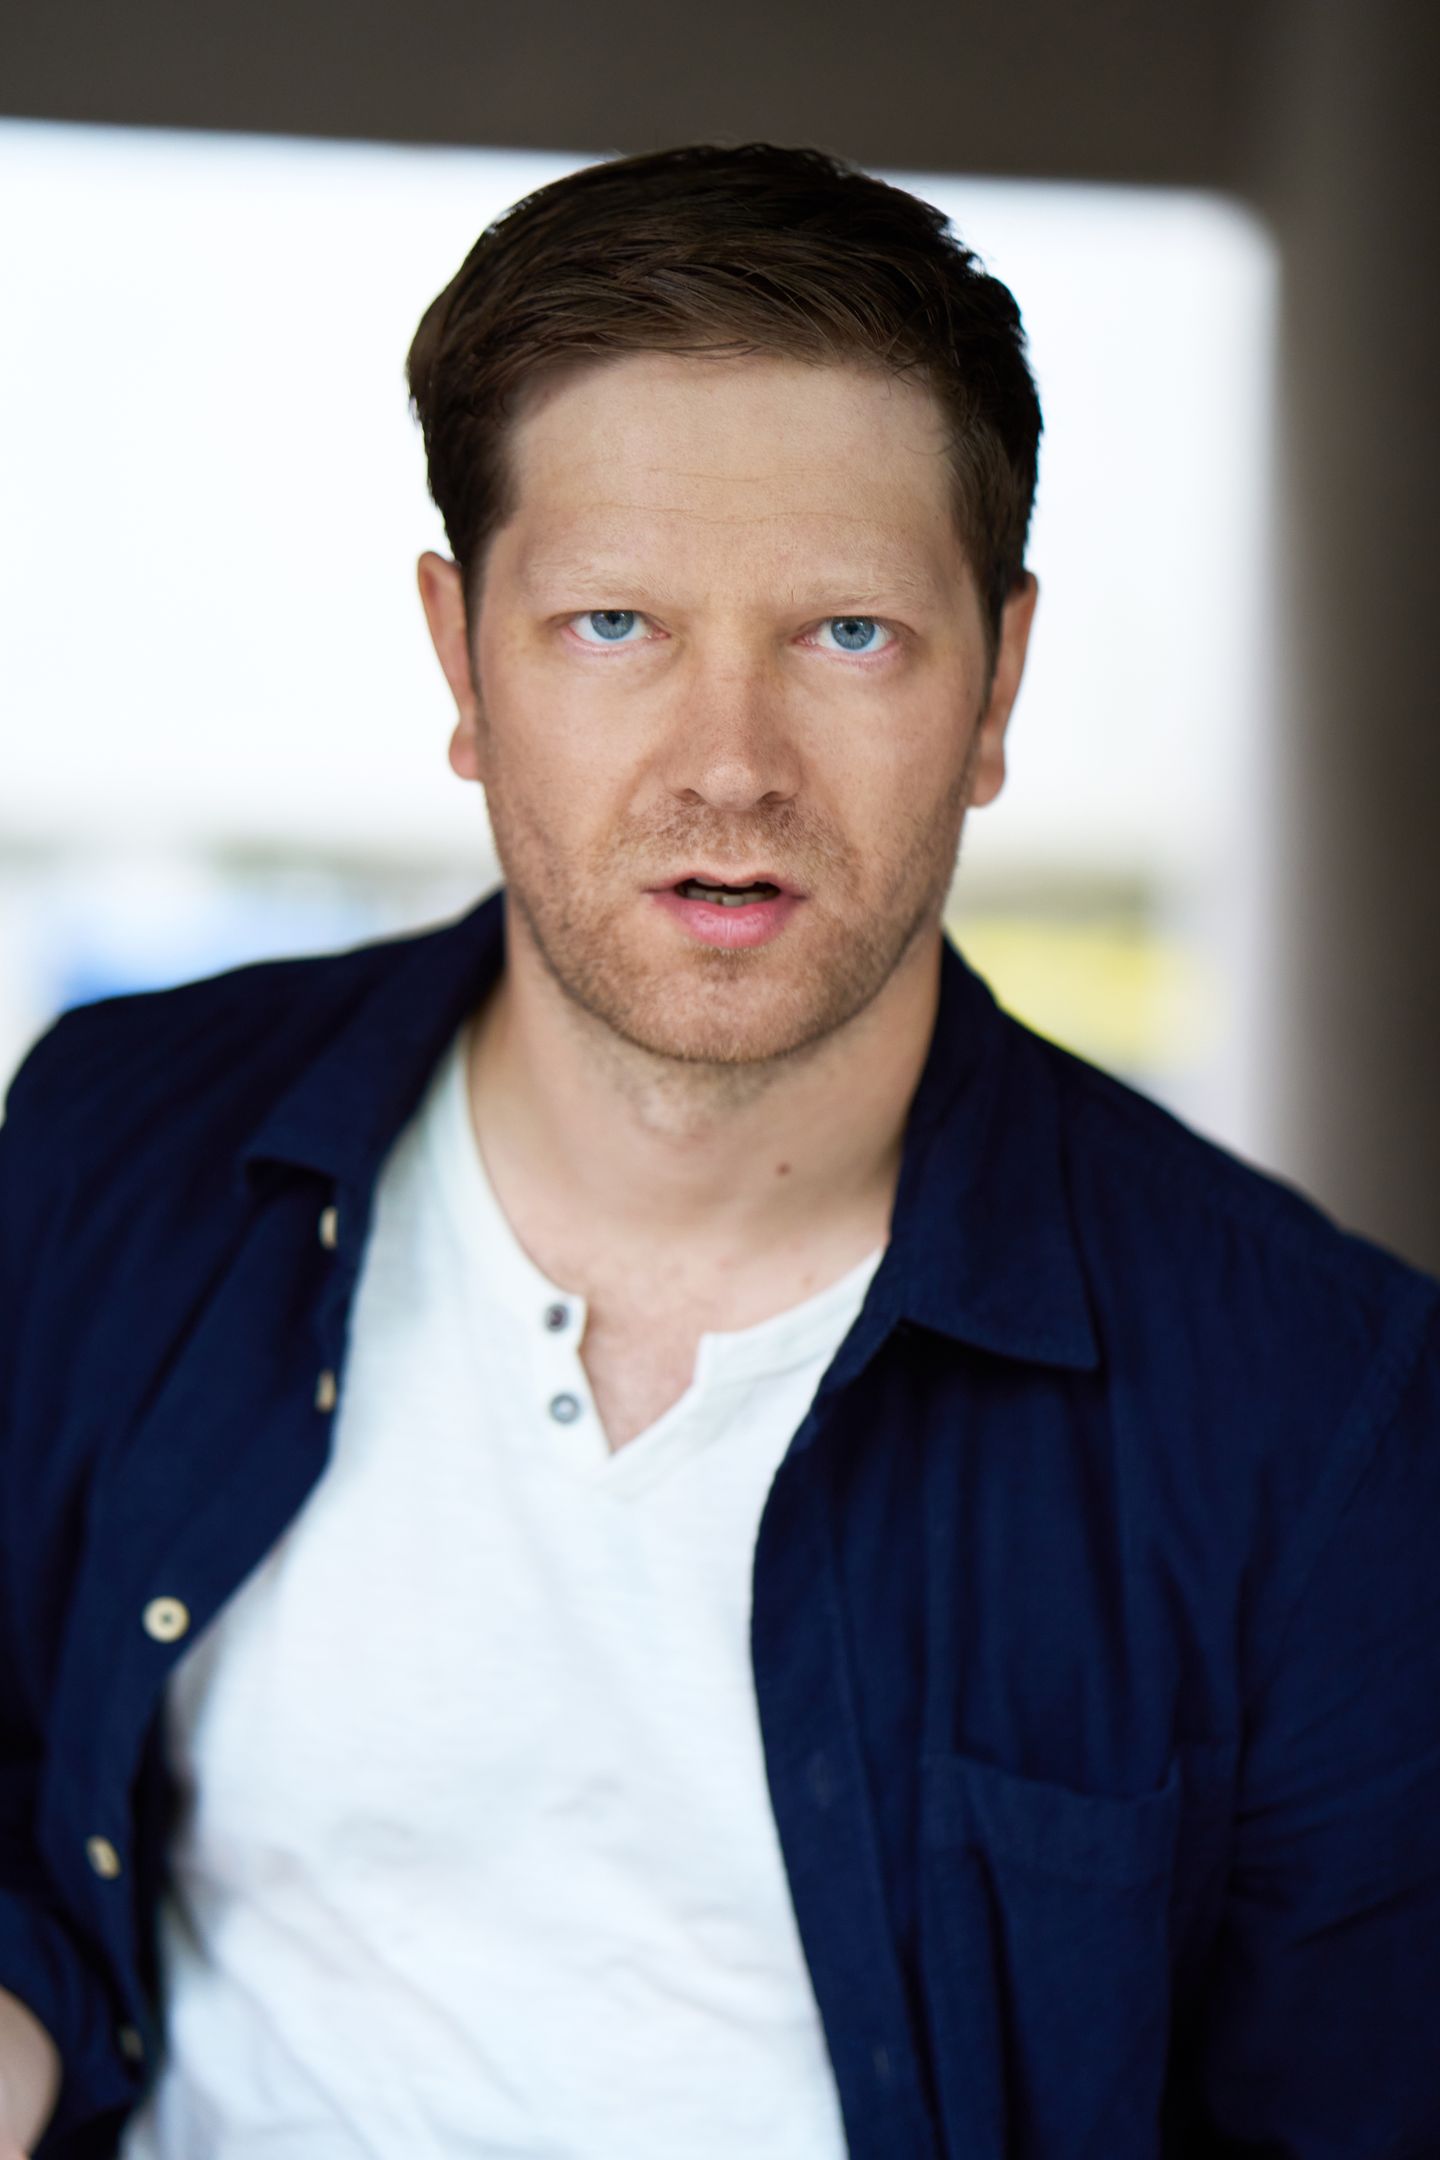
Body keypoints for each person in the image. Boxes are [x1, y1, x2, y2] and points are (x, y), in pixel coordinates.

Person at [1, 140, 1437, 2160]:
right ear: (462, 664)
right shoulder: (117, 1145)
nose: (730, 764)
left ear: (999, 682)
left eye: (848, 634)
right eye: (613, 624)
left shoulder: (1322, 1411)